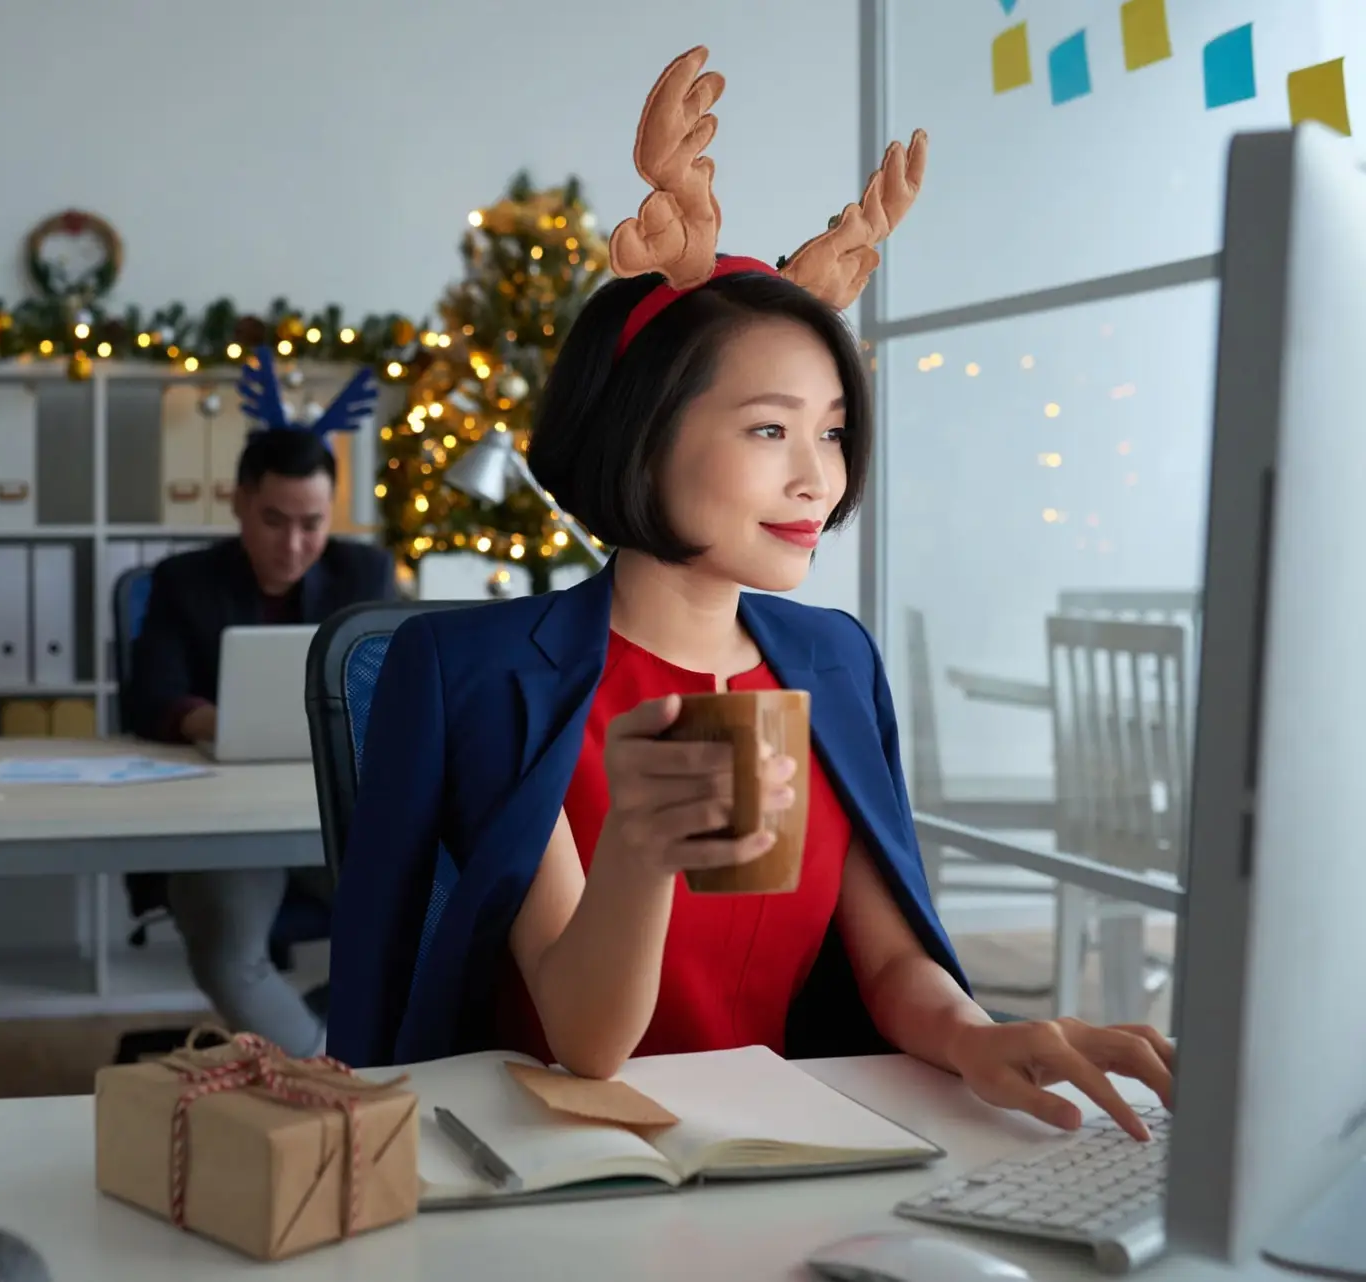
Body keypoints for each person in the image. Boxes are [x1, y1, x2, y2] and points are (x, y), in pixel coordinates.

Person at [329, 46, 1173, 1144]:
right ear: (642, 435)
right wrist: (640, 845)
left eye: (831, 431)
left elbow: (888, 958)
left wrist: (975, 1033)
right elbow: (587, 1043)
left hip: (790, 1147)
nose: (817, 476)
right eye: (769, 429)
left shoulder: (831, 659)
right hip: (559, 1165)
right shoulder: (487, 676)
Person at [126, 413, 396, 1057]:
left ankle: (342, 1049)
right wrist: (216, 723)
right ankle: (331, 1075)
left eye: (314, 523)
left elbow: (392, 692)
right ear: (239, 503)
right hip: (219, 818)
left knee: (430, 906)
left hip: (330, 809)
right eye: (275, 521)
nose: (296, 544)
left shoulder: (366, 576)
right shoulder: (183, 582)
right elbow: (150, 698)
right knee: (230, 953)